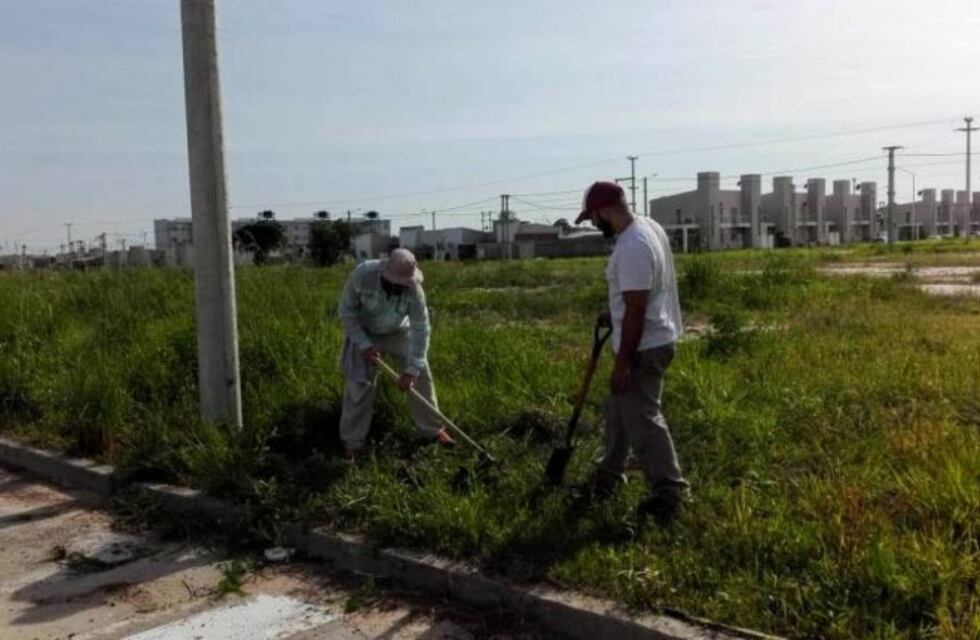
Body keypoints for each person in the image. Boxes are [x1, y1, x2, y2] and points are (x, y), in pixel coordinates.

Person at [574, 181, 690, 522]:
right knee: (619, 411)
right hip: (651, 336)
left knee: (643, 419)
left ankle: (669, 493)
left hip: (643, 346)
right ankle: (608, 476)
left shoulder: (632, 246)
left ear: (605, 211)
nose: (595, 226)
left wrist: (624, 364)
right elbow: (640, 295)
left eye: (594, 219)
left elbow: (638, 308)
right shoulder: (647, 227)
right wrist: (616, 313)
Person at [337, 248, 454, 459]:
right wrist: (363, 344)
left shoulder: (414, 291)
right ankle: (352, 443)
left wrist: (411, 371)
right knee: (359, 385)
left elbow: (421, 329)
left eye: (404, 285)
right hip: (363, 331)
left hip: (398, 331)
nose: (400, 288)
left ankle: (433, 430)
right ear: (384, 274)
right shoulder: (363, 275)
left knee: (422, 376)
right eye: (395, 284)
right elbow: (346, 311)